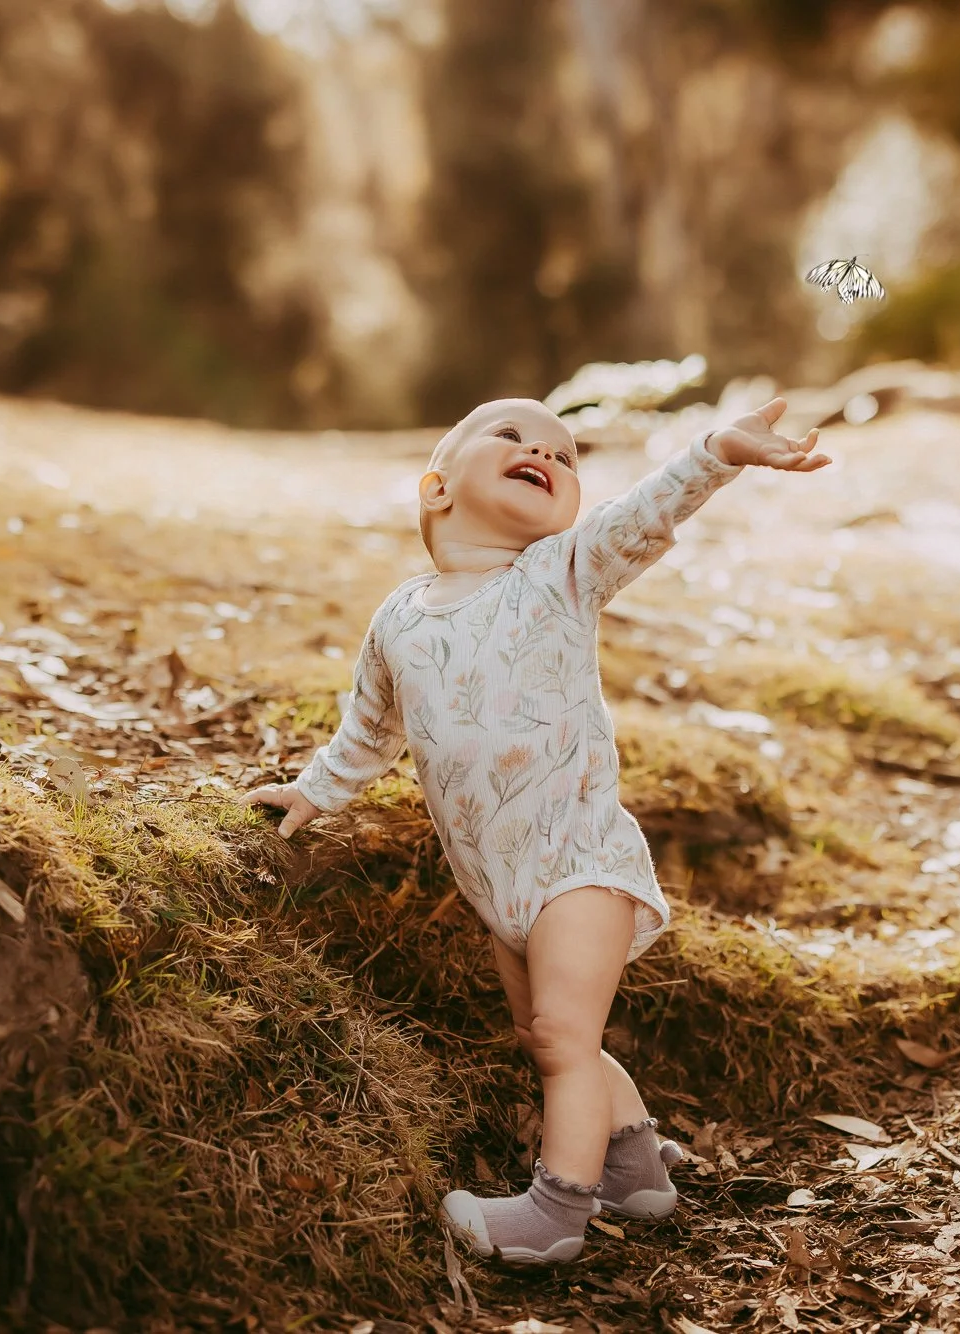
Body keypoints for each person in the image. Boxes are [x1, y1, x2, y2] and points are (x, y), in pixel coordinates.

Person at [249, 395, 828, 1264]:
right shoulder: (400, 617)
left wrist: (718, 452)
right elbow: (371, 728)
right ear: (437, 488)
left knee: (562, 1037)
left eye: (563, 452)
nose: (544, 453)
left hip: (579, 862)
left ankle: (556, 1212)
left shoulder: (561, 572)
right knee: (549, 1037)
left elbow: (642, 515)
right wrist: (313, 793)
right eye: (514, 437)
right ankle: (635, 1168)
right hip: (499, 882)